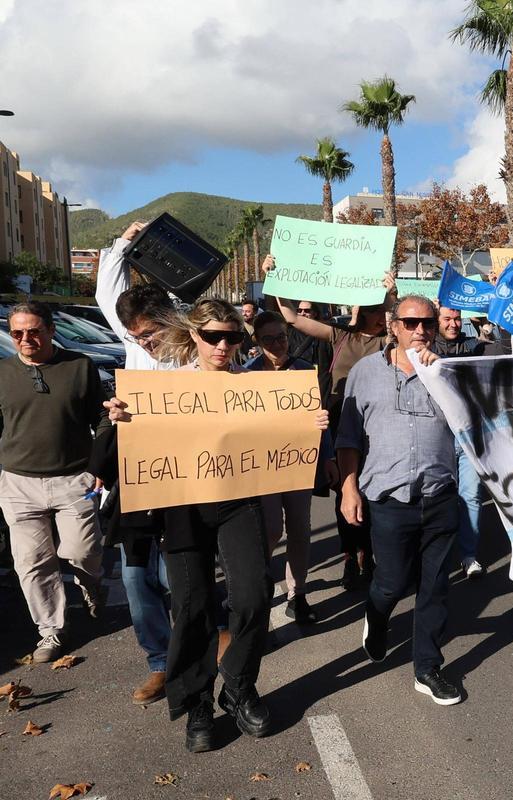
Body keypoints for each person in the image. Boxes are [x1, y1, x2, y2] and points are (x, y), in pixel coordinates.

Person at [104, 299, 330, 752]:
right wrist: (119, 420)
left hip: (237, 504)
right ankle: (197, 705)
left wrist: (310, 424)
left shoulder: (253, 385)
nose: (223, 345)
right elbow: (130, 443)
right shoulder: (165, 387)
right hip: (183, 508)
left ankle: (239, 687)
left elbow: (279, 433)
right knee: (192, 606)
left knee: (252, 594)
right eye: (213, 336)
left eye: (231, 336)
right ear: (194, 338)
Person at [337, 295, 464, 705]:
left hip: (440, 496)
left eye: (426, 323)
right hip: (388, 501)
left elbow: (474, 423)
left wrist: (442, 379)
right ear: (393, 325)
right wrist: (348, 486)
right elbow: (349, 437)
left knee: (435, 588)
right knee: (391, 583)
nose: (419, 330)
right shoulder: (365, 372)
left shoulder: (447, 373)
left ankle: (427, 668)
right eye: (410, 322)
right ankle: (376, 618)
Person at [262, 254, 393, 591]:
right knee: (345, 491)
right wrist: (274, 277)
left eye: (385, 312)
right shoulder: (340, 337)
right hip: (341, 421)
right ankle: (353, 554)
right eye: (379, 311)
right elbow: (291, 317)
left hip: (377, 424)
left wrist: (393, 293)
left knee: (373, 489)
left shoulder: (387, 343)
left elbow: (404, 328)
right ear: (365, 312)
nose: (384, 317)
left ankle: (370, 552)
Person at [0, 302, 109, 664]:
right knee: (31, 561)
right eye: (17, 333)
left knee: (82, 551)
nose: (25, 339)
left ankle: (91, 582)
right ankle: (50, 631)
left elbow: (103, 418)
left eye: (33, 331)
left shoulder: (79, 366)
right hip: (18, 482)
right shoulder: (3, 372)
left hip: (73, 477)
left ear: (50, 330)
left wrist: (98, 465)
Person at [95, 221, 176, 703]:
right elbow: (108, 290)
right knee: (134, 575)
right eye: (136, 335)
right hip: (136, 476)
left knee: (178, 573)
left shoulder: (191, 354)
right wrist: (125, 242)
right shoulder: (131, 346)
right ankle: (160, 662)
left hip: (185, 478)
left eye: (150, 333)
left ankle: (214, 627)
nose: (144, 342)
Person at [246, 310, 339, 625]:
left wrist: (326, 457)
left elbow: (317, 421)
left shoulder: (303, 371)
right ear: (257, 342)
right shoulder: (245, 376)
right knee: (270, 528)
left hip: (299, 464)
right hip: (263, 467)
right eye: (269, 339)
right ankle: (257, 586)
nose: (277, 344)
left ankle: (296, 593)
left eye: (281, 337)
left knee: (300, 528)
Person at [430, 305, 487, 579]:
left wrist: (491, 311)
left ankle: (469, 555)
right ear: (436, 321)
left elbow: (509, 347)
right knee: (437, 497)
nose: (453, 324)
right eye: (447, 319)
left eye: (457, 319)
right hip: (437, 437)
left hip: (468, 436)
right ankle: (434, 556)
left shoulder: (475, 346)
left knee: (471, 495)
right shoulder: (424, 348)